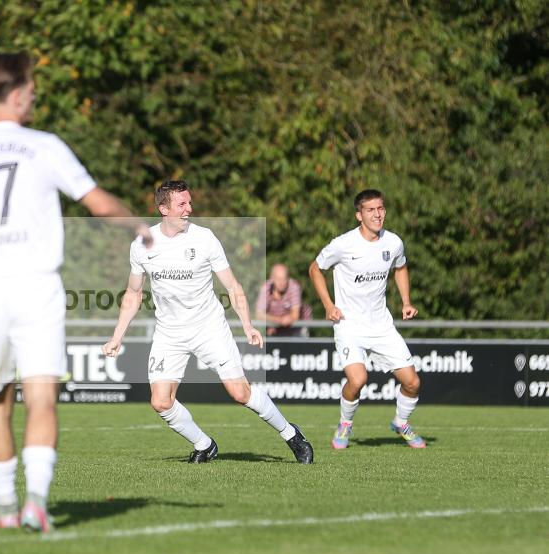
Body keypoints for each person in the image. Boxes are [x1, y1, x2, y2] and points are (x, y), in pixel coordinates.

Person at [0, 51, 151, 533]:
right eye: (33, 89)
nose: (35, 97)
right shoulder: (43, 145)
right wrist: (139, 224)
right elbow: (97, 202)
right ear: (19, 93)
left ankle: (6, 509)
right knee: (41, 399)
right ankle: (36, 504)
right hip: (34, 286)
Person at [102, 180, 313, 465]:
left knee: (240, 393)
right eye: (182, 204)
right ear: (163, 208)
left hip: (209, 328)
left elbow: (233, 286)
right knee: (160, 402)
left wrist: (248, 326)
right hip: (169, 333)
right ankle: (204, 444)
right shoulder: (142, 244)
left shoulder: (205, 238)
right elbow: (134, 293)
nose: (189, 209)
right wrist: (117, 336)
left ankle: (292, 435)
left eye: (190, 202)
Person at [308, 188, 425, 450]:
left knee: (413, 382)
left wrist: (406, 302)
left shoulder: (393, 242)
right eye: (371, 210)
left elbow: (401, 267)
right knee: (358, 380)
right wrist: (328, 305)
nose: (378, 214)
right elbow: (315, 268)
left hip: (381, 325)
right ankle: (345, 424)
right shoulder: (343, 244)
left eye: (381, 208)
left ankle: (401, 422)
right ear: (359, 215)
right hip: (349, 325)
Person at [254, 263, 309, 336]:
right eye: (279, 279)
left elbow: (295, 316)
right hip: (274, 328)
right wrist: (278, 321)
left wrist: (274, 321)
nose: (282, 283)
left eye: (284, 279)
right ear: (272, 278)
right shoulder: (265, 288)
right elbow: (259, 315)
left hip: (296, 328)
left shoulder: (294, 287)